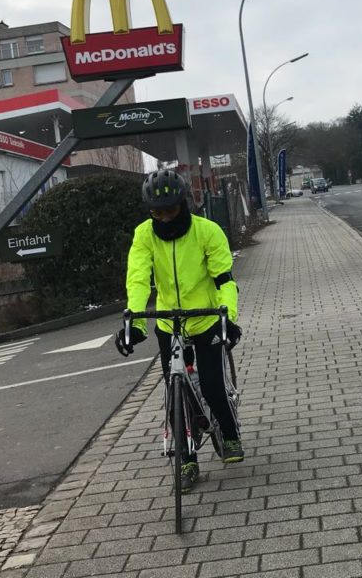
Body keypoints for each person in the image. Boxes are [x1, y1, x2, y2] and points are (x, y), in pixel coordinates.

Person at [114, 169, 243, 491]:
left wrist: (228, 318)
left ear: (183, 204)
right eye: (157, 213)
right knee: (174, 390)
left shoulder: (207, 231)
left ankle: (229, 434)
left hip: (205, 318)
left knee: (212, 386)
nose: (165, 218)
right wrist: (135, 323)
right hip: (169, 322)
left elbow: (224, 280)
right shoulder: (144, 235)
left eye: (170, 210)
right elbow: (138, 279)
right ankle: (186, 459)